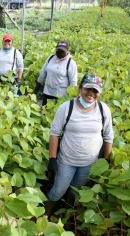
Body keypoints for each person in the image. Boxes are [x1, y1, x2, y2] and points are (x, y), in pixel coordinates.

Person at [46, 74, 113, 207]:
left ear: (99, 93)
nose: (91, 93)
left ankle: (67, 214)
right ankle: (46, 212)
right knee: (58, 191)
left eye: (95, 91)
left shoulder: (103, 109)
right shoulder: (67, 107)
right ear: (80, 88)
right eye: (88, 89)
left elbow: (108, 136)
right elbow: (54, 134)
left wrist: (106, 161)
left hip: (89, 164)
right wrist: (52, 159)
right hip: (67, 161)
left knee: (76, 191)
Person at [36, 40, 78, 106]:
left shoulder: (71, 63)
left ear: (67, 51)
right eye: (58, 49)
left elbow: (73, 82)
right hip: (47, 92)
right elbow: (43, 72)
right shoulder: (51, 58)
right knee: (44, 112)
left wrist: (71, 97)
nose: (60, 52)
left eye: (62, 50)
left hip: (61, 95)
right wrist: (38, 85)